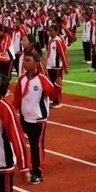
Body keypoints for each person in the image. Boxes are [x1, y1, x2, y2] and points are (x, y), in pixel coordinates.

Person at [13, 51, 58, 184]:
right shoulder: (22, 79)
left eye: (28, 60)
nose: (25, 63)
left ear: (37, 63)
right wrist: (12, 111)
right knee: (28, 144)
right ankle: (32, 166)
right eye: (24, 60)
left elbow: (52, 95)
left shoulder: (42, 79)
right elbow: (17, 97)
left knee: (36, 145)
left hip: (38, 118)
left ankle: (38, 172)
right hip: (25, 116)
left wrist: (57, 87)